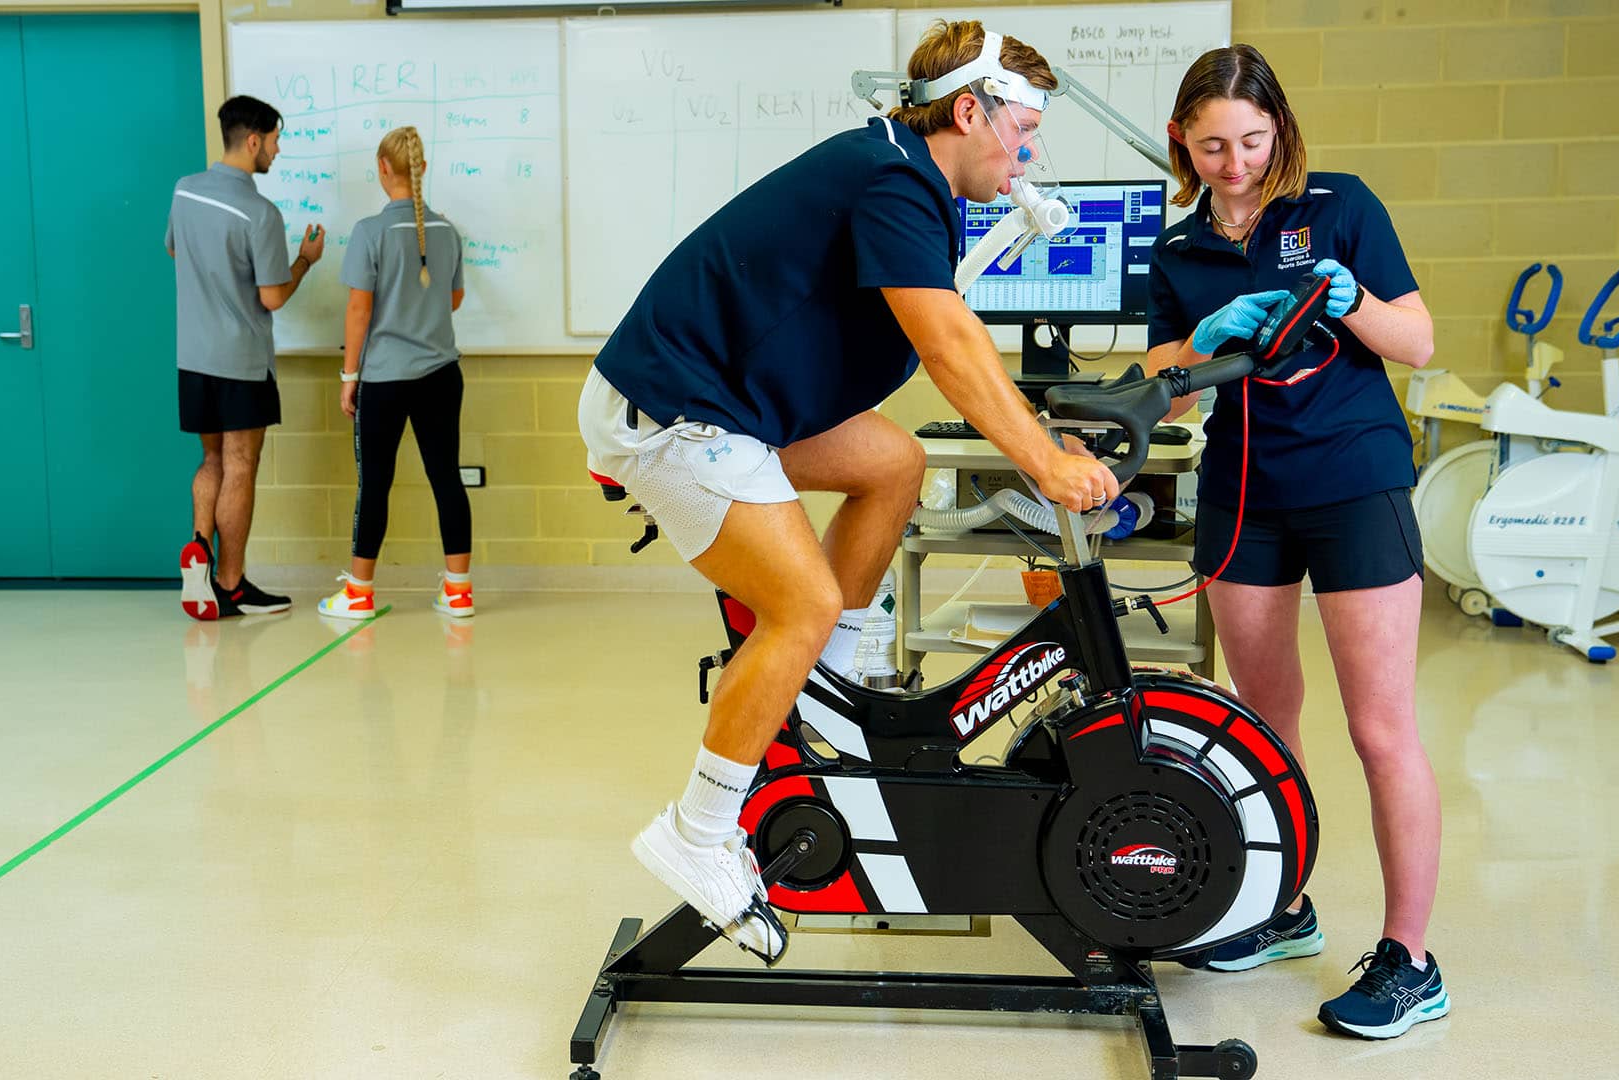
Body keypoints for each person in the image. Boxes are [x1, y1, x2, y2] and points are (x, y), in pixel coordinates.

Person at [575, 21, 1118, 965]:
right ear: (968, 110)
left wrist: (1039, 439)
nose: (1031, 152)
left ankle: (833, 682)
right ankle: (699, 829)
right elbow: (948, 343)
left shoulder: (909, 173)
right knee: (801, 602)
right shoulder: (894, 178)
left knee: (892, 464)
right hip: (674, 411)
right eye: (1023, 128)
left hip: (736, 402)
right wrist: (1042, 462)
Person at [1146, 45, 1447, 1039]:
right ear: (1182, 144)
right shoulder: (1181, 249)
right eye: (1213, 146)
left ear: (1280, 130)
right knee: (1261, 725)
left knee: (1379, 727)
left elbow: (1418, 340)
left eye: (1253, 142)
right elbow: (1164, 370)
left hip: (1355, 482)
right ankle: (1283, 909)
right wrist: (1201, 340)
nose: (1235, 166)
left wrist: (1352, 298)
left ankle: (1411, 960)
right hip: (1244, 494)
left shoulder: (1339, 205)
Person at [169, 94, 326, 620]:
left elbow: (173, 248)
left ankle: (199, 545)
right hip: (240, 362)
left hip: (192, 357)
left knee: (211, 459)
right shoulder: (259, 212)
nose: (278, 151)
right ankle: (231, 585)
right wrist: (304, 260)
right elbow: (272, 297)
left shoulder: (184, 190)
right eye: (276, 140)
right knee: (241, 465)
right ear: (254, 139)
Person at [319, 126, 475, 621]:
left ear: (384, 169)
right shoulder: (448, 230)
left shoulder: (369, 232)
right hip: (441, 375)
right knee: (446, 478)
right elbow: (452, 300)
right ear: (421, 169)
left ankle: (359, 593)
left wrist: (349, 377)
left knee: (376, 484)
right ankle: (458, 593)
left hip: (384, 380)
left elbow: (358, 312)